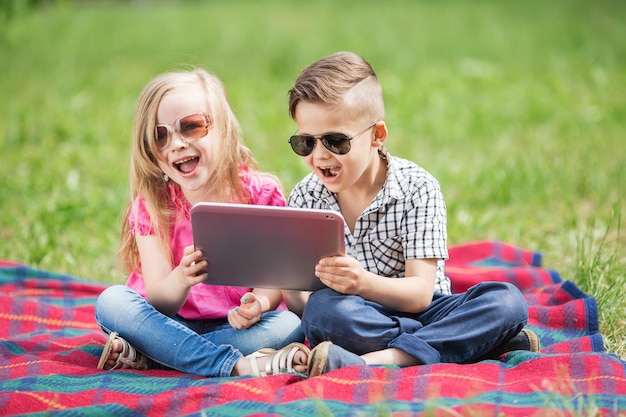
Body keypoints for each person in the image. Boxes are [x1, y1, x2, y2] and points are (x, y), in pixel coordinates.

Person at [282, 52, 540, 377]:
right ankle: (473, 345)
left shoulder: (417, 188)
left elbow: (420, 295)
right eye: (306, 142)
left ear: (377, 135)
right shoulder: (306, 196)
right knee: (322, 312)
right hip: (357, 315)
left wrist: (361, 282)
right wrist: (286, 285)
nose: (319, 155)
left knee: (507, 302)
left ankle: (373, 362)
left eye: (335, 141)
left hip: (430, 311)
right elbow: (304, 307)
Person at [95, 68, 309, 378]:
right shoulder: (152, 205)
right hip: (170, 322)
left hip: (235, 326)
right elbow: (157, 303)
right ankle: (235, 366)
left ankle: (156, 355)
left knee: (289, 325)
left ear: (224, 129)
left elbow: (272, 282)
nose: (177, 144)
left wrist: (258, 305)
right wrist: (181, 278)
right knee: (111, 302)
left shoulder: (260, 194)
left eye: (192, 126)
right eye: (160, 135)